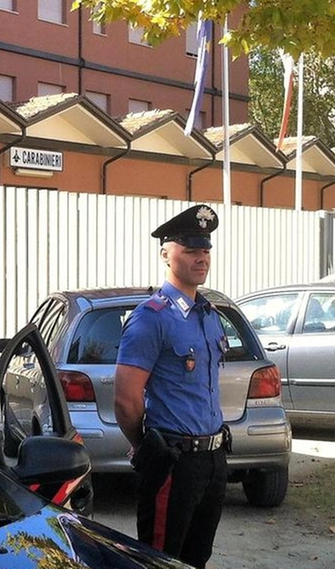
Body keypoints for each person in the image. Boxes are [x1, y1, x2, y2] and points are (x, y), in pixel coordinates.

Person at [114, 204, 228, 569]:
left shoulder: (208, 315)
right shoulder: (151, 318)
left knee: (197, 558)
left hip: (212, 458)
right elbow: (126, 399)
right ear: (166, 254)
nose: (201, 258)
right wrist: (144, 447)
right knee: (161, 561)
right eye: (191, 249)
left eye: (206, 249)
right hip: (173, 462)